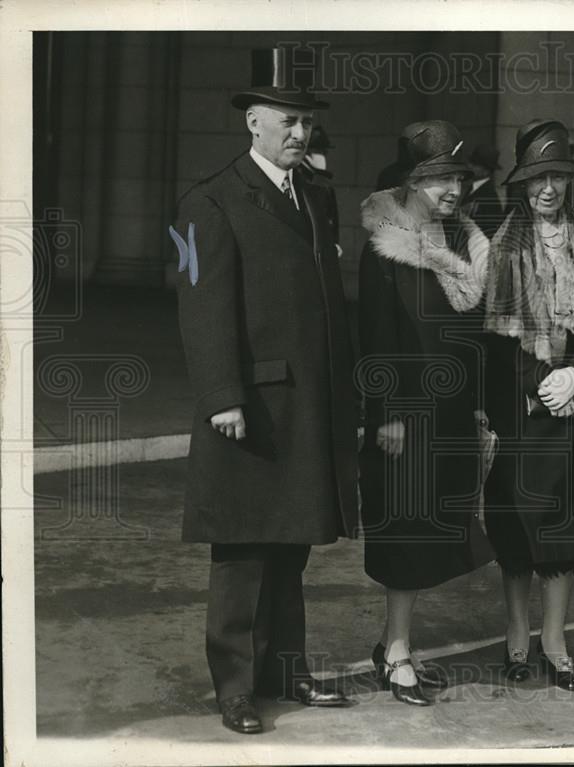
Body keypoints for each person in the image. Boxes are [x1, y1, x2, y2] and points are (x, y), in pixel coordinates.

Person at [172, 47, 359, 735]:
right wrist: (222, 394)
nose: (300, 134)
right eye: (287, 120)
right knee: (245, 549)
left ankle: (288, 668)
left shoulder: (315, 196)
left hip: (306, 403)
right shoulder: (209, 199)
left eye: (306, 122)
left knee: (292, 541)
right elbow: (200, 305)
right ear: (253, 122)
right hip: (249, 404)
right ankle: (235, 686)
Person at [482, 119, 574, 692]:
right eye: (539, 177)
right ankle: (517, 637)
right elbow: (495, 343)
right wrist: (543, 381)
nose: (549, 188)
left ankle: (555, 640)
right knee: (519, 532)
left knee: (566, 535)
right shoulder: (502, 245)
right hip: (524, 408)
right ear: (522, 182)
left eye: (559, 177)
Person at [357, 120, 495, 706]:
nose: (453, 190)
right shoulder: (386, 246)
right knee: (405, 533)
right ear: (413, 183)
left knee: (432, 529)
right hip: (405, 416)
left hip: (452, 412)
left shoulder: (463, 244)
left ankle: (392, 640)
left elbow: (473, 334)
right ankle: (397, 655)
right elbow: (375, 336)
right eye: (440, 179)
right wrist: (386, 413)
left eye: (459, 178)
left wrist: (482, 407)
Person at [463, 143, 506, 238]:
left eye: (475, 164)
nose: (469, 166)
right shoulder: (472, 188)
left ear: (486, 170)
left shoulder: (489, 197)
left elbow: (490, 231)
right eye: (471, 162)